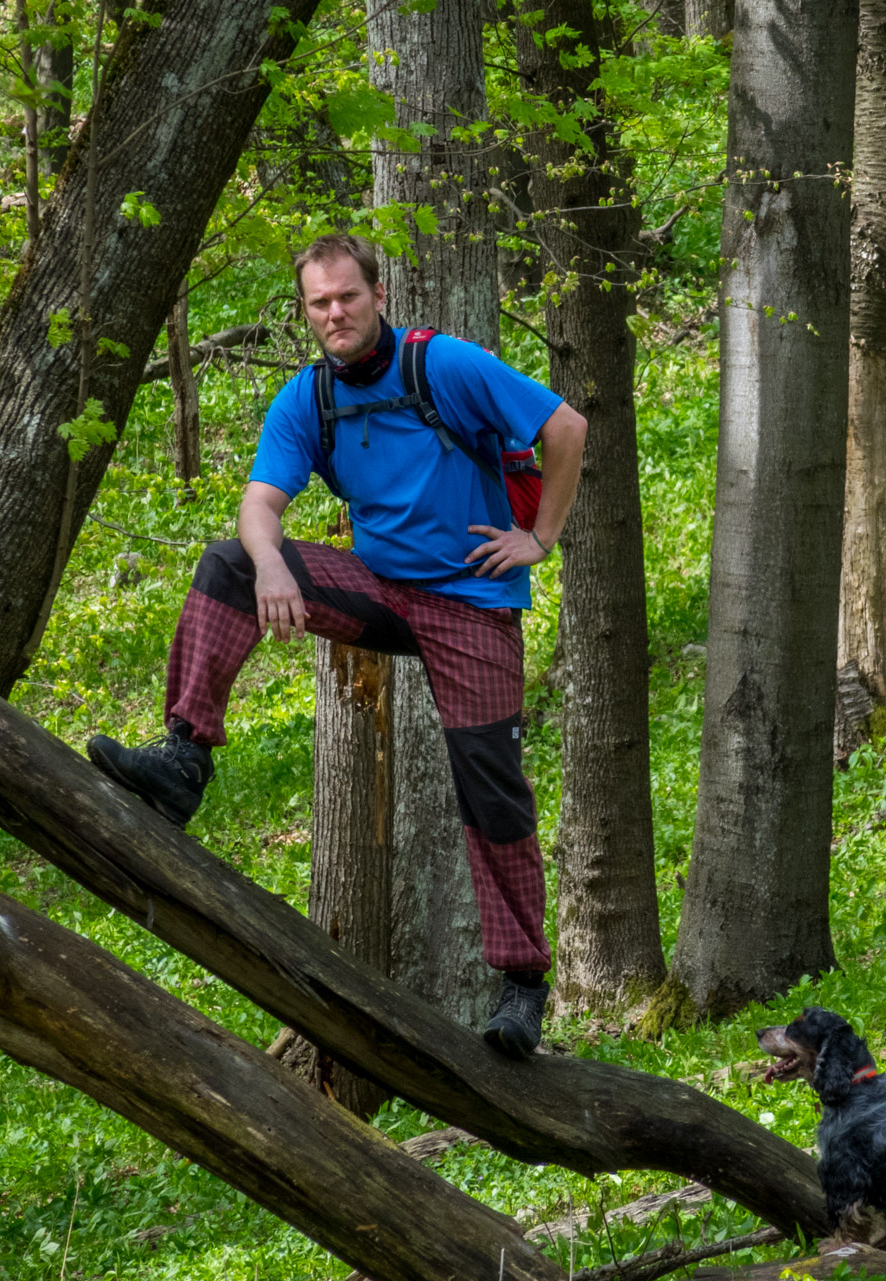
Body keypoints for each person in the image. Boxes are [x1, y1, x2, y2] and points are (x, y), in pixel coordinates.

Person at [86, 233, 586, 1059]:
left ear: (378, 294)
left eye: (346, 296)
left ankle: (523, 986)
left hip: (471, 601)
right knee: (229, 561)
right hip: (380, 592)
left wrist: (539, 537)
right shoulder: (308, 400)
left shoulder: (446, 367)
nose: (334, 314)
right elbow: (259, 504)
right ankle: (183, 762)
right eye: (318, 303)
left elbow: (565, 426)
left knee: (492, 792)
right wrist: (273, 563)